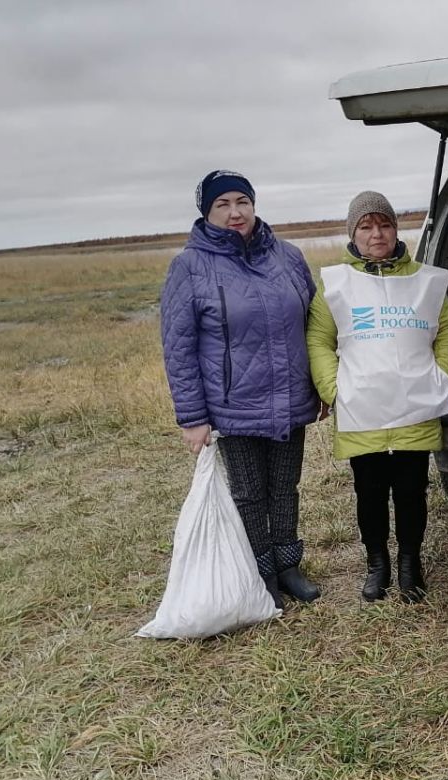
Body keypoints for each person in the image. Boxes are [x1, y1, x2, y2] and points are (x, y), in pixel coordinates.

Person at [160, 170, 323, 609]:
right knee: (250, 493)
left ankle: (289, 564)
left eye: (242, 201)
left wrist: (321, 385)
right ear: (207, 212)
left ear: (253, 203)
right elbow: (179, 347)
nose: (235, 213)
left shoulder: (287, 257)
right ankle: (260, 571)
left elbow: (316, 326)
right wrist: (193, 417)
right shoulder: (190, 266)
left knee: (285, 486)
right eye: (222, 205)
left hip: (289, 398)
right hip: (233, 404)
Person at [307, 191, 448, 604]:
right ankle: (377, 564)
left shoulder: (424, 280)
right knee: (369, 490)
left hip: (414, 406)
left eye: (385, 224)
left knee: (412, 489)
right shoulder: (336, 284)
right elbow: (319, 340)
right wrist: (333, 389)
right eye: (366, 226)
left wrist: (440, 374)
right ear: (353, 234)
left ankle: (411, 564)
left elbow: (447, 328)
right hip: (362, 408)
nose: (377, 234)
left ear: (396, 229)